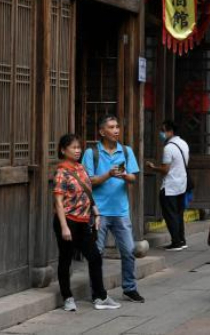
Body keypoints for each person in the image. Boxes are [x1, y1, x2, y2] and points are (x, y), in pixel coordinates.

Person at [53, 134, 121, 311]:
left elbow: (87, 192)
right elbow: (59, 202)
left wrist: (96, 212)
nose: (77, 151)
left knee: (95, 257)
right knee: (65, 259)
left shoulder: (81, 168)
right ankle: (67, 297)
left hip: (84, 221)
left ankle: (100, 297)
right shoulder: (62, 172)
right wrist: (64, 227)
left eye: (78, 147)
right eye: (73, 148)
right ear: (63, 150)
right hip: (67, 221)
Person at [83, 115, 145, 304]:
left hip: (121, 211)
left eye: (117, 126)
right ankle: (98, 292)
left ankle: (129, 288)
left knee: (128, 250)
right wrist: (108, 174)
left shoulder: (125, 151)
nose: (116, 130)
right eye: (111, 127)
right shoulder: (91, 153)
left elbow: (134, 178)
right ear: (102, 132)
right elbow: (88, 182)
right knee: (97, 254)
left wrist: (124, 176)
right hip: (98, 212)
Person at [146, 120, 189, 252]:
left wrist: (153, 168)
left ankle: (175, 242)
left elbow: (165, 169)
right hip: (182, 184)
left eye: (163, 130)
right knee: (178, 214)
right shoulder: (183, 143)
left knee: (170, 214)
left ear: (170, 131)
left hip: (170, 186)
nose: (161, 133)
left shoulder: (168, 147)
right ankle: (181, 240)